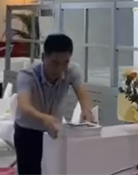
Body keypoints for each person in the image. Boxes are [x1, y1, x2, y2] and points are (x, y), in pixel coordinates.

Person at [15, 33, 97, 175]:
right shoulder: (27, 75)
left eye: (65, 62)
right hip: (28, 131)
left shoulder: (72, 71)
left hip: (54, 131)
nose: (60, 69)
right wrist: (44, 118)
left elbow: (83, 94)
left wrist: (87, 110)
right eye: (55, 63)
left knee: (56, 170)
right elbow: (24, 107)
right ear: (43, 57)